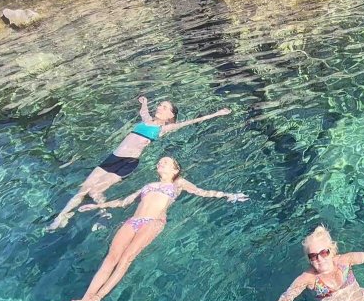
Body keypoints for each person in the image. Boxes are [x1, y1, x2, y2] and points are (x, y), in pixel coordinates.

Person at [65, 156, 247, 301]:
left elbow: (203, 192)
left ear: (175, 169)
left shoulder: (179, 183)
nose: (160, 163)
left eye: (165, 162)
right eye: (160, 162)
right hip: (133, 221)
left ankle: (96, 299)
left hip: (153, 222)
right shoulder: (148, 185)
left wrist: (228, 195)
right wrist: (98, 206)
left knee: (126, 258)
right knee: (110, 258)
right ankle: (86, 299)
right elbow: (123, 202)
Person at [48, 96, 231, 230]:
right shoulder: (147, 120)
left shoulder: (164, 128)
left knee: (95, 191)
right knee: (84, 188)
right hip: (112, 157)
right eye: (160, 105)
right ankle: (63, 215)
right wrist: (144, 103)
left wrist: (217, 114)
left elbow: (192, 121)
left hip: (128, 162)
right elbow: (143, 112)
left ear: (170, 116)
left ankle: (103, 215)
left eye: (165, 107)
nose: (160, 107)